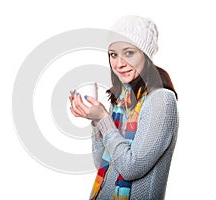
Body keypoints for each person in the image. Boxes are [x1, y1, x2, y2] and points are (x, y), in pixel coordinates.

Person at [69, 15, 179, 200]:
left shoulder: (161, 100)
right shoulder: (122, 101)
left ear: (145, 54)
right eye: (113, 54)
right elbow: (104, 164)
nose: (119, 64)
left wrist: (104, 119)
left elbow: (130, 168)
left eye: (128, 53)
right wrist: (96, 121)